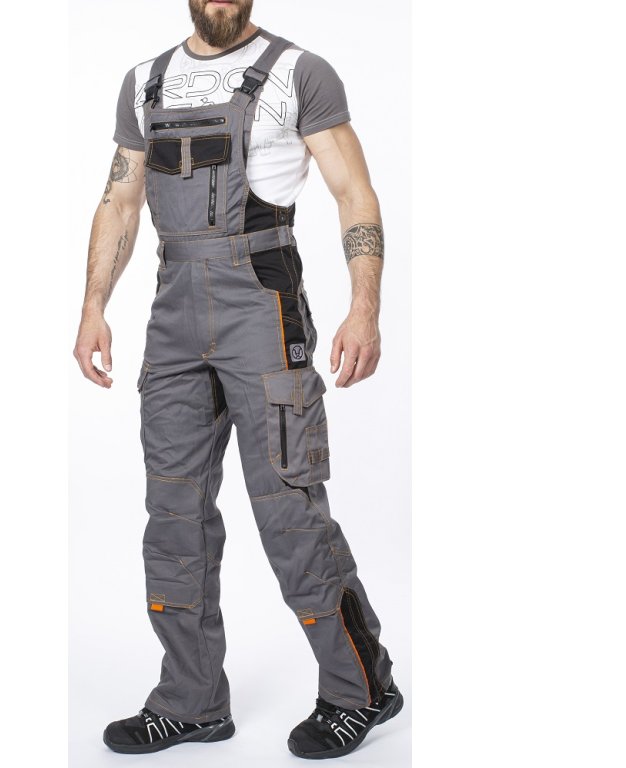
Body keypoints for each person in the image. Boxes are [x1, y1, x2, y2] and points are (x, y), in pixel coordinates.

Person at [74, 0, 401, 759]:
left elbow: (355, 194)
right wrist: (93, 307)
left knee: (290, 512)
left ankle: (362, 689)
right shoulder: (146, 81)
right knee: (174, 517)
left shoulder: (298, 73)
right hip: (173, 314)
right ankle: (190, 702)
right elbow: (119, 200)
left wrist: (365, 310)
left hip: (263, 305)